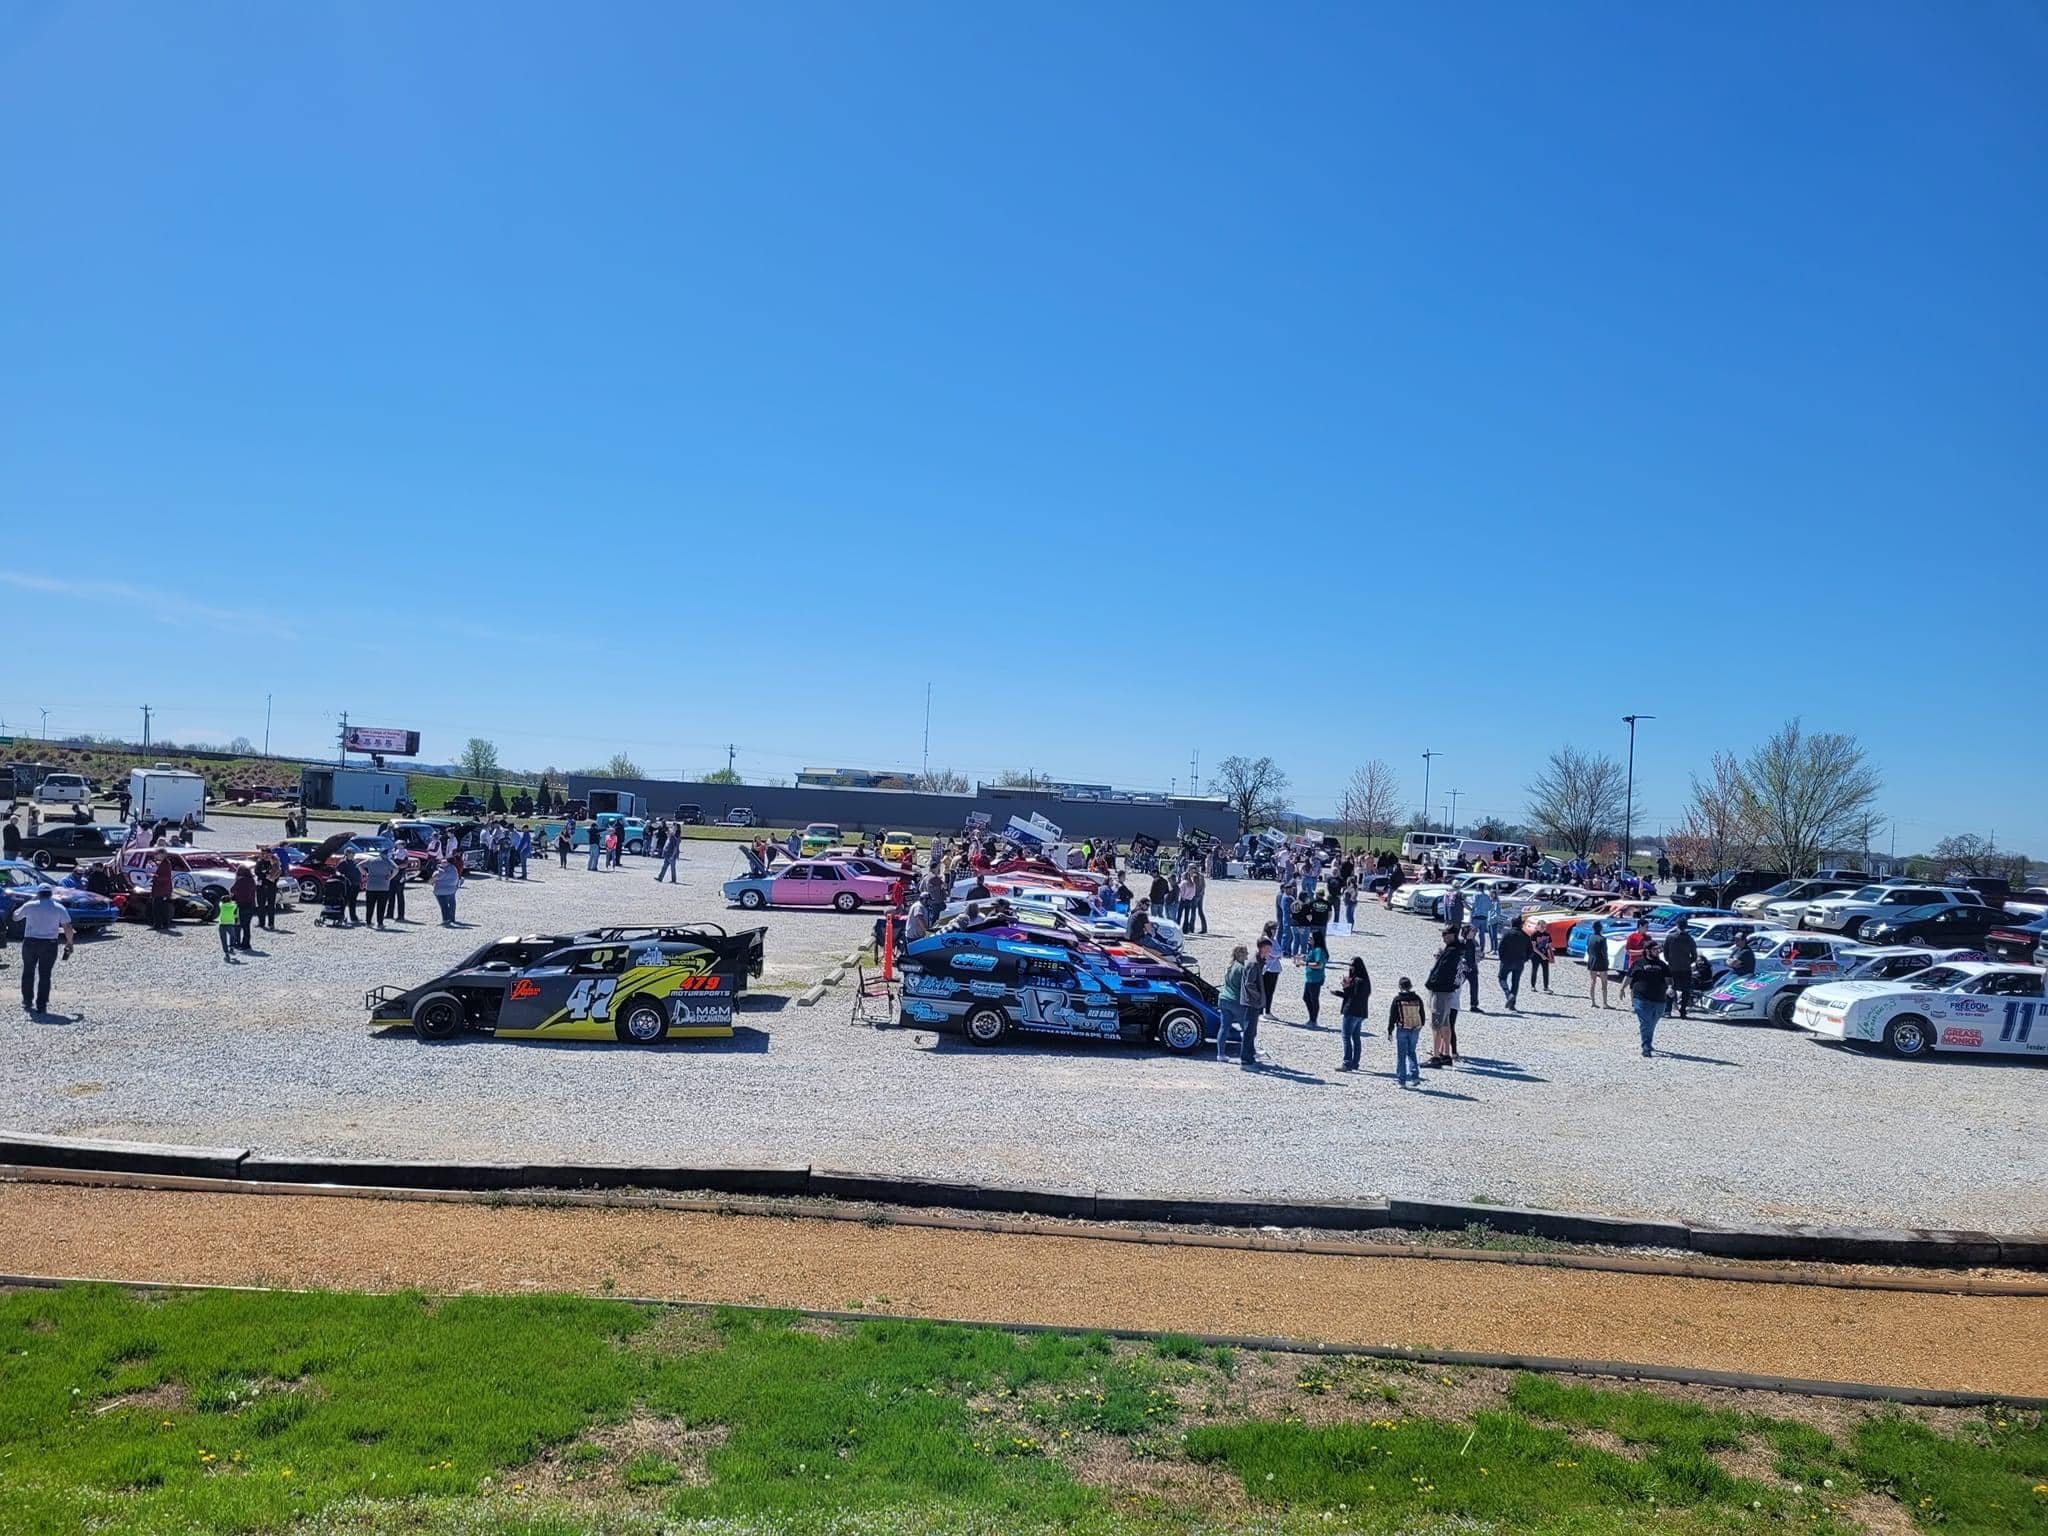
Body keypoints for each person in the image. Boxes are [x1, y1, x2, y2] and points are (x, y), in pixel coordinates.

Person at [12, 885, 75, 1012]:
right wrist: (70, 943)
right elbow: (68, 928)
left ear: (38, 894)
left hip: (30, 942)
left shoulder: (30, 906)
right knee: (45, 974)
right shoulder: (58, 907)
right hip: (49, 943)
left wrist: (29, 901)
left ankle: (27, 1001)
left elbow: (15, 917)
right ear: (50, 894)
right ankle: (42, 1004)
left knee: (28, 971)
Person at [1625, 939, 1671, 1057]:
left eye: (1658, 949)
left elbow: (1668, 979)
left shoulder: (1662, 965)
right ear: (1647, 951)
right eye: (1655, 949)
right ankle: (1646, 1046)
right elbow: (1629, 977)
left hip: (1659, 999)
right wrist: (1622, 988)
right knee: (1645, 1022)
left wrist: (1671, 988)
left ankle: (1648, 1041)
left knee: (1652, 1022)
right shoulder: (1638, 963)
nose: (1657, 951)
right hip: (1641, 998)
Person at [1424, 928, 1462, 1067]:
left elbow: (1442, 971)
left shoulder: (1452, 952)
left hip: (1441, 990)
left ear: (1452, 935)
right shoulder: (1455, 950)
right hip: (1446, 991)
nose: (1443, 937)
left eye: (1445, 935)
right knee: (1445, 1024)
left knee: (1436, 1024)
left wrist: (1432, 983)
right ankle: (1445, 1053)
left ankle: (1436, 1057)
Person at [1387, 976, 1426, 1085]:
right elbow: (1422, 1013)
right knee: (1411, 1052)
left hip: (1402, 1028)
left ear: (1400, 986)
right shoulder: (1417, 998)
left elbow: (1392, 1016)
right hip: (1415, 1029)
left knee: (1401, 1054)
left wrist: (1390, 1030)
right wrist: (1421, 1025)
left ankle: (1402, 1080)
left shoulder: (1398, 999)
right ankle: (1415, 1076)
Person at [1336, 956, 1371, 1071]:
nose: (1350, 968)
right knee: (1356, 1038)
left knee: (1346, 1037)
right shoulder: (1365, 980)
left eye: (1352, 966)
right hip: (1361, 1012)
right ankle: (1355, 1063)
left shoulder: (1357, 981)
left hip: (1352, 1011)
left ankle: (1347, 1063)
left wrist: (1345, 988)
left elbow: (1352, 997)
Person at [1241, 939, 1272, 1066]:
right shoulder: (1254, 963)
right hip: (1251, 1002)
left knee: (1252, 1031)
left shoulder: (1259, 962)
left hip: (1254, 1002)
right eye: (1268, 949)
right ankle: (1246, 1059)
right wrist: (1258, 997)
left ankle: (1250, 1055)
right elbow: (1249, 984)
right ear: (1262, 948)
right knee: (1249, 1031)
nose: (1269, 952)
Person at [1218, 944, 1249, 1062]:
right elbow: (1245, 987)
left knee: (1224, 1028)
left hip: (1224, 999)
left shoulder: (1229, 966)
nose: (1247, 956)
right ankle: (1250, 1053)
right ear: (1240, 954)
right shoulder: (1241, 968)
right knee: (1246, 1028)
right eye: (1245, 953)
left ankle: (1221, 1054)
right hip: (1235, 1001)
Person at [1662, 923, 1699, 1018]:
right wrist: (1688, 962)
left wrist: (1669, 960)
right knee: (1685, 990)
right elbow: (1694, 955)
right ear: (1686, 927)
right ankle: (1683, 1011)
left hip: (1672, 967)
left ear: (1677, 926)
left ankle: (1667, 1011)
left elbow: (1665, 951)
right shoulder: (1689, 939)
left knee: (1671, 987)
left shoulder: (1670, 937)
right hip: (1685, 968)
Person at [1497, 919, 1531, 1011]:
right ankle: (1512, 1004)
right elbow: (1530, 951)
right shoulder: (1525, 936)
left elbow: (1500, 947)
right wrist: (1525, 959)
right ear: (1521, 925)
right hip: (1520, 962)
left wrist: (1501, 958)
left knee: (1501, 978)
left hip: (1507, 960)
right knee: (1515, 982)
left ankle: (1508, 994)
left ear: (1512, 924)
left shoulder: (1507, 934)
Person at [360, 847, 395, 930]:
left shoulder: (371, 860)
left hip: (371, 886)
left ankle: (368, 922)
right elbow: (396, 868)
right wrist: (390, 877)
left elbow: (359, 865)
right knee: (381, 906)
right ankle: (380, 923)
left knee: (370, 906)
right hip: (383, 886)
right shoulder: (388, 861)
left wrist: (365, 873)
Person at [1299, 934, 1327, 1026]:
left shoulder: (1319, 950)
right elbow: (1309, 958)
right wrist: (1302, 958)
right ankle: (1312, 1018)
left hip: (1316, 979)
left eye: (1311, 938)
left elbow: (1319, 965)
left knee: (1313, 999)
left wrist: (1305, 963)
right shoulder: (1312, 949)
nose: (1309, 939)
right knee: (1306, 997)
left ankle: (1313, 1020)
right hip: (1310, 978)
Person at [229, 864, 256, 950]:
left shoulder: (240, 881)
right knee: (247, 926)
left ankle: (239, 943)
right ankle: (246, 943)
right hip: (251, 904)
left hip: (241, 905)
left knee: (239, 925)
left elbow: (232, 890)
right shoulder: (252, 880)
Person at [1258, 922, 1282, 1016]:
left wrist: (1275, 955)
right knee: (1264, 991)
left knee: (1270, 992)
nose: (1275, 931)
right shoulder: (1265, 940)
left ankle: (1267, 1011)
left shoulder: (1274, 940)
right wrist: (1275, 955)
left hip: (1275, 968)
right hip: (1267, 969)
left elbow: (1280, 953)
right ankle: (1260, 1012)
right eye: (1274, 929)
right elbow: (1272, 953)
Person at [1587, 921, 1612, 1008]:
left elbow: (1588, 950)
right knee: (1604, 982)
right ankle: (1605, 1003)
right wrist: (1607, 961)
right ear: (1600, 928)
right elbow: (1604, 952)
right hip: (1601, 961)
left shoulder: (1590, 937)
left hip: (1592, 961)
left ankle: (1593, 1002)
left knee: (1593, 981)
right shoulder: (1603, 939)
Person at [254, 850, 280, 932]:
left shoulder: (275, 863)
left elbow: (278, 874)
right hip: (261, 886)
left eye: (268, 854)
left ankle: (271, 923)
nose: (266, 856)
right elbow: (257, 872)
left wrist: (272, 877)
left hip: (271, 886)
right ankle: (261, 922)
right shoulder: (260, 862)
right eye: (265, 854)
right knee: (261, 905)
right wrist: (265, 875)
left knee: (271, 906)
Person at [432, 854, 462, 926]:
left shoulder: (440, 871)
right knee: (452, 903)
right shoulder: (454, 869)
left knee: (443, 905)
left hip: (440, 890)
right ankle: (452, 917)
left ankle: (446, 919)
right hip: (452, 889)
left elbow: (434, 878)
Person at [1459, 922, 1481, 1012]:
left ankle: (1474, 1006)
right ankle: (1451, 1003)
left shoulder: (1475, 942)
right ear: (1466, 932)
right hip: (1462, 969)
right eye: (1472, 931)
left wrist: (1480, 956)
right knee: (1457, 987)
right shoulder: (1461, 942)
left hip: (1473, 968)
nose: (1474, 932)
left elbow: (1479, 955)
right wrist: (1463, 963)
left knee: (1474, 987)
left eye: (1474, 931)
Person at [1468, 887, 1495, 958]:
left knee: (1472, 935)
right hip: (1484, 918)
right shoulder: (1487, 897)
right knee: (1482, 936)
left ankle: (1474, 949)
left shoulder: (1476, 895)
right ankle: (1482, 951)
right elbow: (1490, 907)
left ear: (1478, 888)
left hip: (1476, 917)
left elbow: (1473, 904)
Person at [150, 857, 175, 930]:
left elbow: (165, 878)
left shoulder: (165, 865)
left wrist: (155, 877)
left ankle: (160, 924)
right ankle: (163, 924)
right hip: (161, 889)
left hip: (161, 890)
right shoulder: (164, 863)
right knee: (161, 907)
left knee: (158, 908)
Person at [215, 890, 240, 962]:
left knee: (223, 939)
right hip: (230, 924)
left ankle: (226, 952)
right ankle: (231, 947)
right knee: (233, 936)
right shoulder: (233, 906)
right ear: (230, 901)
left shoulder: (221, 906)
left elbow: (220, 902)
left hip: (222, 924)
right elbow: (234, 903)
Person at [1530, 926, 1554, 993]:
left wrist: (1552, 957)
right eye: (1541, 927)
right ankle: (1533, 986)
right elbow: (1534, 948)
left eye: (1544, 927)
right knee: (1534, 970)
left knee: (1546, 971)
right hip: (1535, 955)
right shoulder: (1534, 934)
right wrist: (1541, 955)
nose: (1543, 928)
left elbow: (1549, 946)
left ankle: (1546, 987)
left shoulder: (1547, 934)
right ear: (1538, 927)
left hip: (1545, 955)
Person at [388, 848, 408, 922]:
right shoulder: (393, 858)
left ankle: (401, 915)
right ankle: (389, 914)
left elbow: (405, 865)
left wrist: (397, 867)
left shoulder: (404, 857)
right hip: (392, 879)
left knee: (400, 897)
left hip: (400, 879)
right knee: (390, 896)